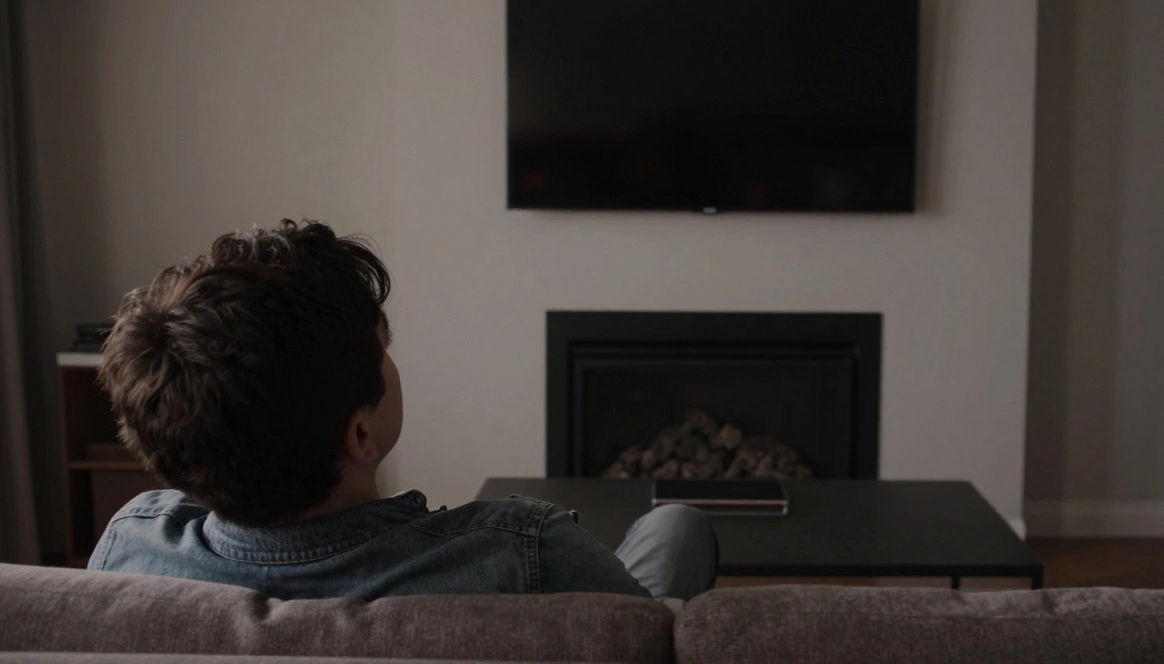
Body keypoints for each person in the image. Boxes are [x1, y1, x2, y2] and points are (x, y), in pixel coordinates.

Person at [90, 219, 717, 601]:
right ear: (360, 433)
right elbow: (637, 637)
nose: (392, 363)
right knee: (676, 526)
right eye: (383, 351)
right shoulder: (526, 553)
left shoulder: (131, 547)